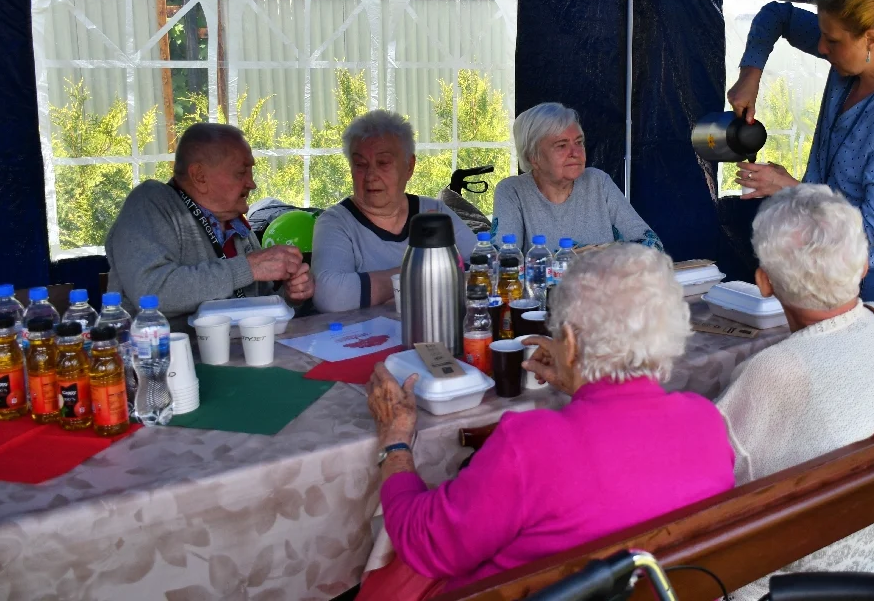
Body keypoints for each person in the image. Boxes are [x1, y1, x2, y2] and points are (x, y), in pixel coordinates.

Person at [362, 244, 734, 595]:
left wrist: (394, 445)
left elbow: (425, 542)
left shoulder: (530, 445)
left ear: (569, 343)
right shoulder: (708, 422)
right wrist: (580, 381)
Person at [716, 184, 874, 597]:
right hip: (870, 565)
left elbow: (704, 476)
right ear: (864, 265)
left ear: (764, 282)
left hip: (773, 587)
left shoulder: (774, 373)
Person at [730, 0, 874, 306]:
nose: (821, 47)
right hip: (817, 252)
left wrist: (790, 188)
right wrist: (750, 77)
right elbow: (777, 15)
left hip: (862, 275)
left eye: (832, 41)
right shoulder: (848, 59)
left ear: (871, 39)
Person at [105, 123, 314, 329]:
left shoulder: (236, 225)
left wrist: (290, 297)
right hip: (164, 357)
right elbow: (151, 292)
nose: (252, 183)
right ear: (199, 176)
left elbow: (259, 307)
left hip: (239, 353)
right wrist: (248, 268)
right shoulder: (150, 204)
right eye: (241, 173)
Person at [311, 111, 476, 313]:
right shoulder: (335, 223)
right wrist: (425, 274)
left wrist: (382, 291)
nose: (371, 175)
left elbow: (484, 266)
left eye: (383, 163)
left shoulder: (433, 213)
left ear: (409, 167)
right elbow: (331, 296)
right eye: (360, 165)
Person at [491, 102, 661, 252]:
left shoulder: (598, 182)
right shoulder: (512, 191)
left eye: (579, 142)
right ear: (533, 157)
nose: (576, 153)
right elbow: (503, 262)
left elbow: (651, 245)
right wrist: (568, 260)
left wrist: (599, 256)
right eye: (562, 145)